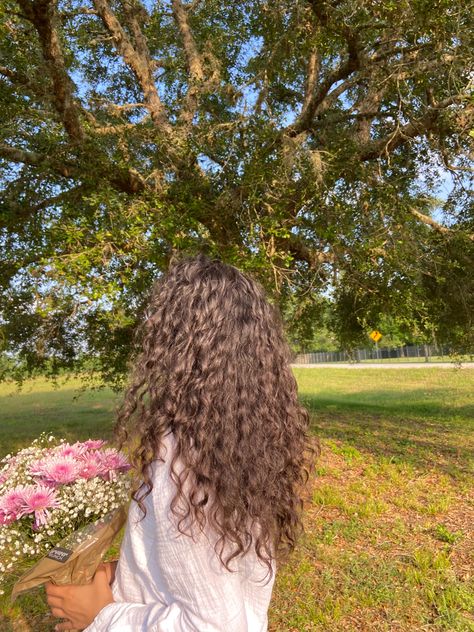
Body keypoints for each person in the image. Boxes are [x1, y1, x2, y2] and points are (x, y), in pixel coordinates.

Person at [46, 253, 317, 631]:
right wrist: (127, 570)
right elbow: (207, 563)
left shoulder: (182, 460)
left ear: (180, 345)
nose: (151, 331)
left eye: (161, 323)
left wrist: (101, 615)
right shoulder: (244, 437)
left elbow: (215, 626)